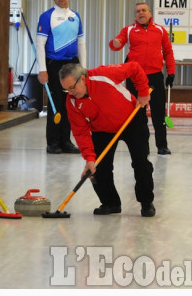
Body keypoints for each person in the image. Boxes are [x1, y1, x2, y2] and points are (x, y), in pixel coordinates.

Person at [59, 62, 156, 217]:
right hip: (102, 129)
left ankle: (146, 202)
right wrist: (89, 159)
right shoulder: (72, 102)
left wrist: (143, 91)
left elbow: (135, 68)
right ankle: (111, 203)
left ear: (83, 78)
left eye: (72, 87)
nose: (70, 93)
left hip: (131, 120)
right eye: (66, 89)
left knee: (140, 163)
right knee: (97, 167)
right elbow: (80, 132)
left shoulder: (103, 75)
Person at [110, 2, 176, 155]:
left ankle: (162, 146)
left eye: (144, 10)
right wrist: (115, 43)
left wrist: (171, 72)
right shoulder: (128, 30)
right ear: (135, 16)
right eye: (138, 11)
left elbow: (168, 52)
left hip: (155, 77)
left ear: (150, 13)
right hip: (135, 78)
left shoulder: (160, 30)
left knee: (159, 114)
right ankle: (142, 147)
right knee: (138, 115)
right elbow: (117, 44)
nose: (141, 13)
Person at [36, 0, 87, 154]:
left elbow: (81, 42)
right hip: (54, 65)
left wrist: (84, 68)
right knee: (55, 105)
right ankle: (53, 142)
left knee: (70, 104)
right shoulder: (47, 16)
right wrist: (42, 69)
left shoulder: (76, 16)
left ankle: (66, 141)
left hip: (73, 65)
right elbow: (40, 44)